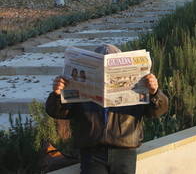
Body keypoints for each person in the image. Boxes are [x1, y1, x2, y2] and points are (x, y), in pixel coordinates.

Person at [46, 44, 168, 174]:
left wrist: (154, 92)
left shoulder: (138, 86)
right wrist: (57, 94)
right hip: (92, 151)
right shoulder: (80, 88)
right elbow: (56, 112)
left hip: (124, 150)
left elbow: (157, 111)